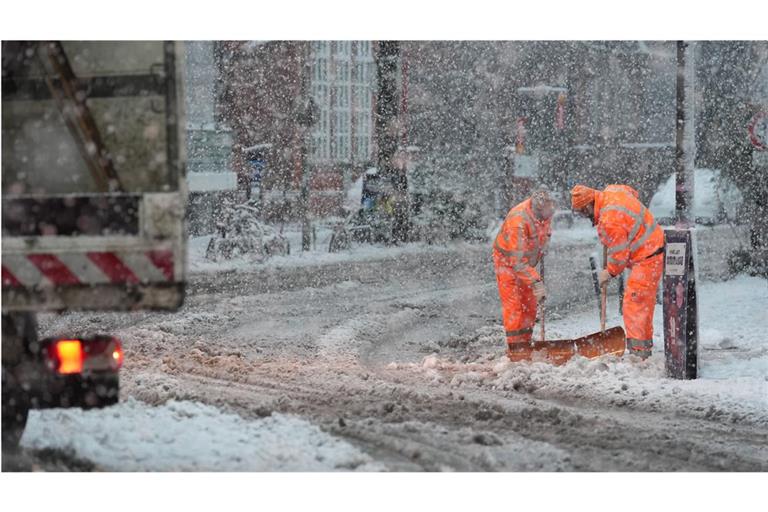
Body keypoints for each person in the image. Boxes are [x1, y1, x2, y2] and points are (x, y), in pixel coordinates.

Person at [570, 184, 664, 359]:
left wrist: (610, 272)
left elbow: (619, 255)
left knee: (634, 303)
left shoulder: (609, 219)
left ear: (590, 204)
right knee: (641, 303)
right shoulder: (612, 191)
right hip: (651, 247)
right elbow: (632, 192)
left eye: (585, 212)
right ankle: (643, 346)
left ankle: (639, 354)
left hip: (648, 256)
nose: (586, 217)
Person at [493, 189, 555, 361]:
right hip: (507, 262)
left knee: (529, 305)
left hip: (526, 264)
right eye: (546, 213)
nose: (549, 217)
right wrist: (536, 282)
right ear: (536, 209)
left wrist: (542, 249)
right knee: (515, 307)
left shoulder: (545, 214)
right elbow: (517, 263)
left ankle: (525, 345)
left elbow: (543, 234)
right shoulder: (518, 221)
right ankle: (516, 351)